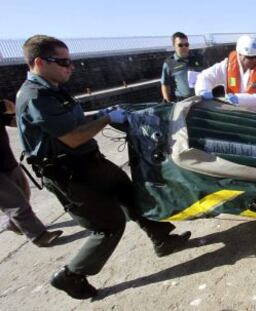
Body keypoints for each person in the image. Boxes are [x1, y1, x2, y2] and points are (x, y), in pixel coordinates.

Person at [15, 35, 191, 300]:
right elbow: (73, 136)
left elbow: (72, 121)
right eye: (62, 62)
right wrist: (107, 118)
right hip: (69, 174)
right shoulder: (35, 96)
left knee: (132, 193)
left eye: (70, 61)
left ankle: (162, 238)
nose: (69, 67)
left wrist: (99, 116)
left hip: (90, 162)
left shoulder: (53, 88)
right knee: (108, 226)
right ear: (39, 62)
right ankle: (71, 275)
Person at [0, 98, 62, 246]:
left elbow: (11, 120)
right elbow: (7, 107)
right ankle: (39, 236)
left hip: (6, 160)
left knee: (24, 193)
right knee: (16, 203)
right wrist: (4, 106)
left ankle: (14, 224)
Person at [195, 35, 256, 115]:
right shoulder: (226, 66)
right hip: (237, 113)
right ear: (239, 54)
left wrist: (238, 99)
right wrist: (203, 90)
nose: (254, 60)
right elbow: (205, 77)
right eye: (249, 57)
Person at [161, 31, 204, 103]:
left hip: (201, 98)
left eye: (186, 44)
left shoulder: (199, 58)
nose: (184, 47)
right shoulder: (169, 63)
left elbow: (209, 75)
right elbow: (165, 84)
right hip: (183, 101)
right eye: (180, 45)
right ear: (174, 45)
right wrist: (167, 101)